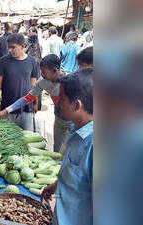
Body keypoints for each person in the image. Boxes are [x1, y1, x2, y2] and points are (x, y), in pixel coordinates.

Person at [41, 68, 93, 225]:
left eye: (62, 99)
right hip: (61, 215)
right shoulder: (76, 129)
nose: (56, 102)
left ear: (77, 105)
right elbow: (76, 171)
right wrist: (56, 185)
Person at [0, 54, 72, 152]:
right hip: (59, 119)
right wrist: (6, 110)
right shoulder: (43, 82)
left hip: (73, 121)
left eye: (44, 71)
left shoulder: (71, 82)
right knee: (57, 149)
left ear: (55, 70)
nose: (41, 74)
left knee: (70, 150)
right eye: (41, 71)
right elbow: (27, 99)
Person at [0, 33, 39, 131]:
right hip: (7, 108)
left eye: (13, 47)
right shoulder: (4, 61)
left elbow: (34, 85)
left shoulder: (32, 62)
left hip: (26, 108)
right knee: (7, 139)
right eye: (9, 47)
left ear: (23, 46)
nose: (10, 50)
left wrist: (36, 103)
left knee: (27, 138)